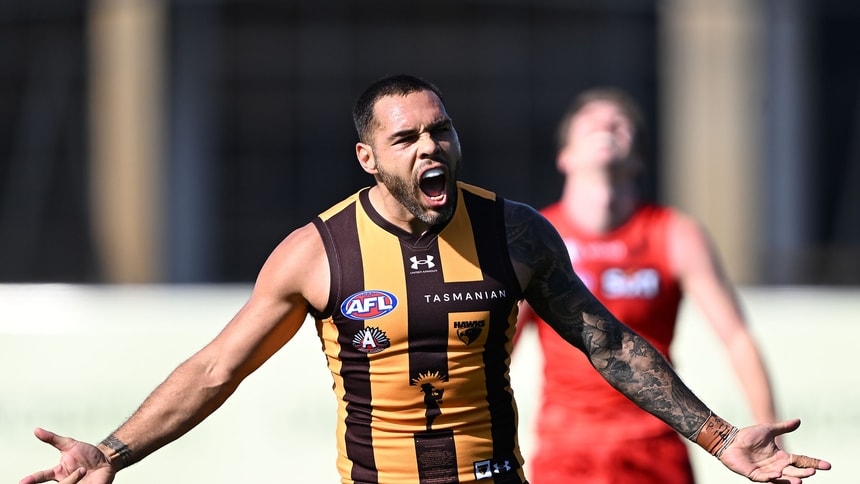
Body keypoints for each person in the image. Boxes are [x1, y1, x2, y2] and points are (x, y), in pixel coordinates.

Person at [20, 75, 829, 484]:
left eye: (441, 130)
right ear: (370, 159)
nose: (430, 148)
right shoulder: (317, 253)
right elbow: (214, 369)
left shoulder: (514, 232)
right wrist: (114, 452)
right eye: (407, 138)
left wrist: (723, 437)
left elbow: (609, 343)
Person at [515, 87, 782, 484]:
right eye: (591, 122)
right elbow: (497, 349)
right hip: (566, 454)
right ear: (564, 156)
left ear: (639, 160)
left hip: (654, 450)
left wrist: (770, 439)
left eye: (618, 123)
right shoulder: (534, 237)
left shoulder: (674, 233)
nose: (606, 125)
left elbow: (737, 339)